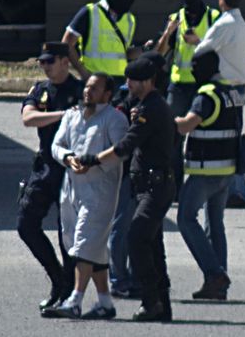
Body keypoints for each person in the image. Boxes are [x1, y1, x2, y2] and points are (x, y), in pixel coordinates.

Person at [86, 58, 176, 322]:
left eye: (132, 80)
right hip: (148, 184)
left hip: (155, 186)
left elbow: (126, 145)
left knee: (136, 238)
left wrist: (93, 160)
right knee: (153, 246)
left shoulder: (152, 108)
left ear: (147, 81)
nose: (128, 84)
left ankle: (150, 301)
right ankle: (162, 304)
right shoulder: (145, 105)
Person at [45, 73, 129, 319]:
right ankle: (105, 302)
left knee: (84, 243)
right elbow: (56, 145)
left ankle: (75, 299)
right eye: (86, 87)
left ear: (107, 94)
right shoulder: (72, 115)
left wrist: (94, 163)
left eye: (94, 88)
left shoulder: (114, 119)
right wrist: (68, 158)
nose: (87, 92)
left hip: (100, 191)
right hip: (71, 189)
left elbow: (120, 152)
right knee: (87, 246)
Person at [18, 42, 83, 311]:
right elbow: (28, 118)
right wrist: (62, 115)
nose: (45, 67)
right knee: (26, 224)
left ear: (65, 61)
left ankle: (68, 291)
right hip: (45, 166)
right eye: (42, 62)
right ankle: (56, 277)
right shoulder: (40, 89)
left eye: (50, 62)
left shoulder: (80, 90)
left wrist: (55, 118)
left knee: (66, 234)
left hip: (70, 167)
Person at [175, 50, 242, 300]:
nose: (191, 70)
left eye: (194, 66)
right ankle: (218, 284)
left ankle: (215, 274)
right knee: (215, 225)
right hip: (226, 171)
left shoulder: (206, 96)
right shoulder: (229, 92)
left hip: (206, 170)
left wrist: (162, 120)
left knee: (185, 219)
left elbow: (186, 126)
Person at [155, 0, 221, 195]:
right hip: (179, 85)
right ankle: (175, 186)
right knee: (172, 134)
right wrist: (168, 32)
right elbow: (160, 52)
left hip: (205, 86)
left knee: (208, 134)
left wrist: (199, 42)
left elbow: (222, 49)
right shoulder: (176, 18)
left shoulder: (213, 17)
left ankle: (208, 184)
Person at [108, 49, 165, 298]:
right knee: (124, 229)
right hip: (128, 173)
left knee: (145, 234)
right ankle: (120, 279)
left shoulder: (153, 103)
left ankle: (145, 282)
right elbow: (125, 142)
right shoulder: (129, 101)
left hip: (144, 175)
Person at [194, 0, 245, 208]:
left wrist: (194, 41)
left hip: (224, 85)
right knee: (234, 135)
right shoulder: (241, 23)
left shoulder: (224, 23)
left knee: (223, 137)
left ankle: (234, 190)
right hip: (239, 86)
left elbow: (202, 50)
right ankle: (237, 189)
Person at [61, 0, 137, 85]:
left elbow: (123, 53)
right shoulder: (90, 12)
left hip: (119, 81)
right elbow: (67, 44)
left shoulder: (130, 19)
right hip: (94, 81)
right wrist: (84, 73)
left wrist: (144, 49)